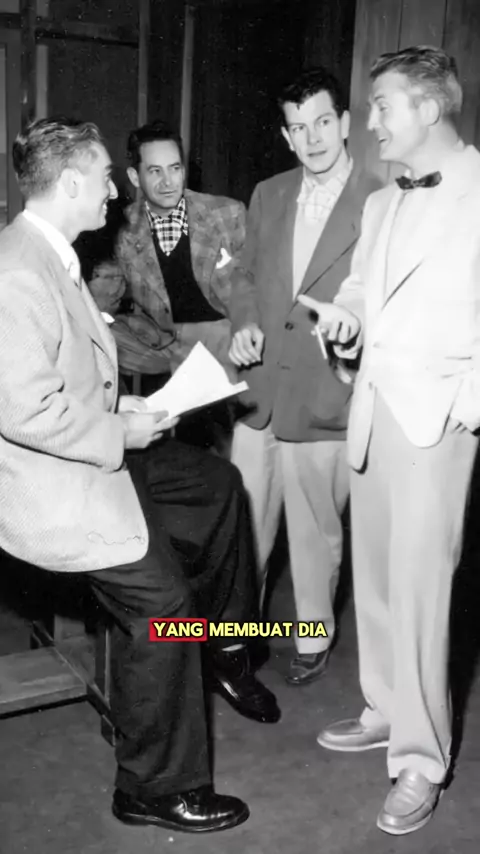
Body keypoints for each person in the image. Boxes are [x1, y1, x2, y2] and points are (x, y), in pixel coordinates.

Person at [0, 116, 279, 834]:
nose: (114, 193)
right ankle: (153, 788)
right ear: (70, 183)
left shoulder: (50, 252)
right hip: (56, 487)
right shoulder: (18, 271)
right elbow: (23, 412)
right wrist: (118, 429)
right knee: (164, 605)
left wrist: (120, 405)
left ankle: (226, 647)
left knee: (217, 489)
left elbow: (65, 381)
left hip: (91, 452)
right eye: (103, 178)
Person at [309, 46, 480, 835]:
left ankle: (421, 757)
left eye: (381, 106)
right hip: (374, 410)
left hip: (436, 421)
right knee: (375, 578)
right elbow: (358, 292)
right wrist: (346, 325)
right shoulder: (381, 202)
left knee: (420, 593)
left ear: (429, 108)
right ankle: (384, 707)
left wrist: (465, 409)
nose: (368, 123)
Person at [228, 67, 378, 685]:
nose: (311, 138)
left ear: (343, 124)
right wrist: (243, 321)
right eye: (297, 128)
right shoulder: (269, 193)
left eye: (321, 122)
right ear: (285, 136)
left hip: (323, 393)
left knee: (316, 532)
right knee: (245, 529)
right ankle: (237, 638)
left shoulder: (380, 199)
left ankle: (313, 634)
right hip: (260, 390)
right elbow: (243, 275)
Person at [88, 120, 246, 451]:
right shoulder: (121, 228)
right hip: (161, 340)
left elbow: (253, 285)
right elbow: (104, 295)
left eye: (175, 169)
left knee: (228, 441)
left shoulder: (227, 214)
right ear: (135, 177)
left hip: (222, 333)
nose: (168, 182)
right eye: (155, 171)